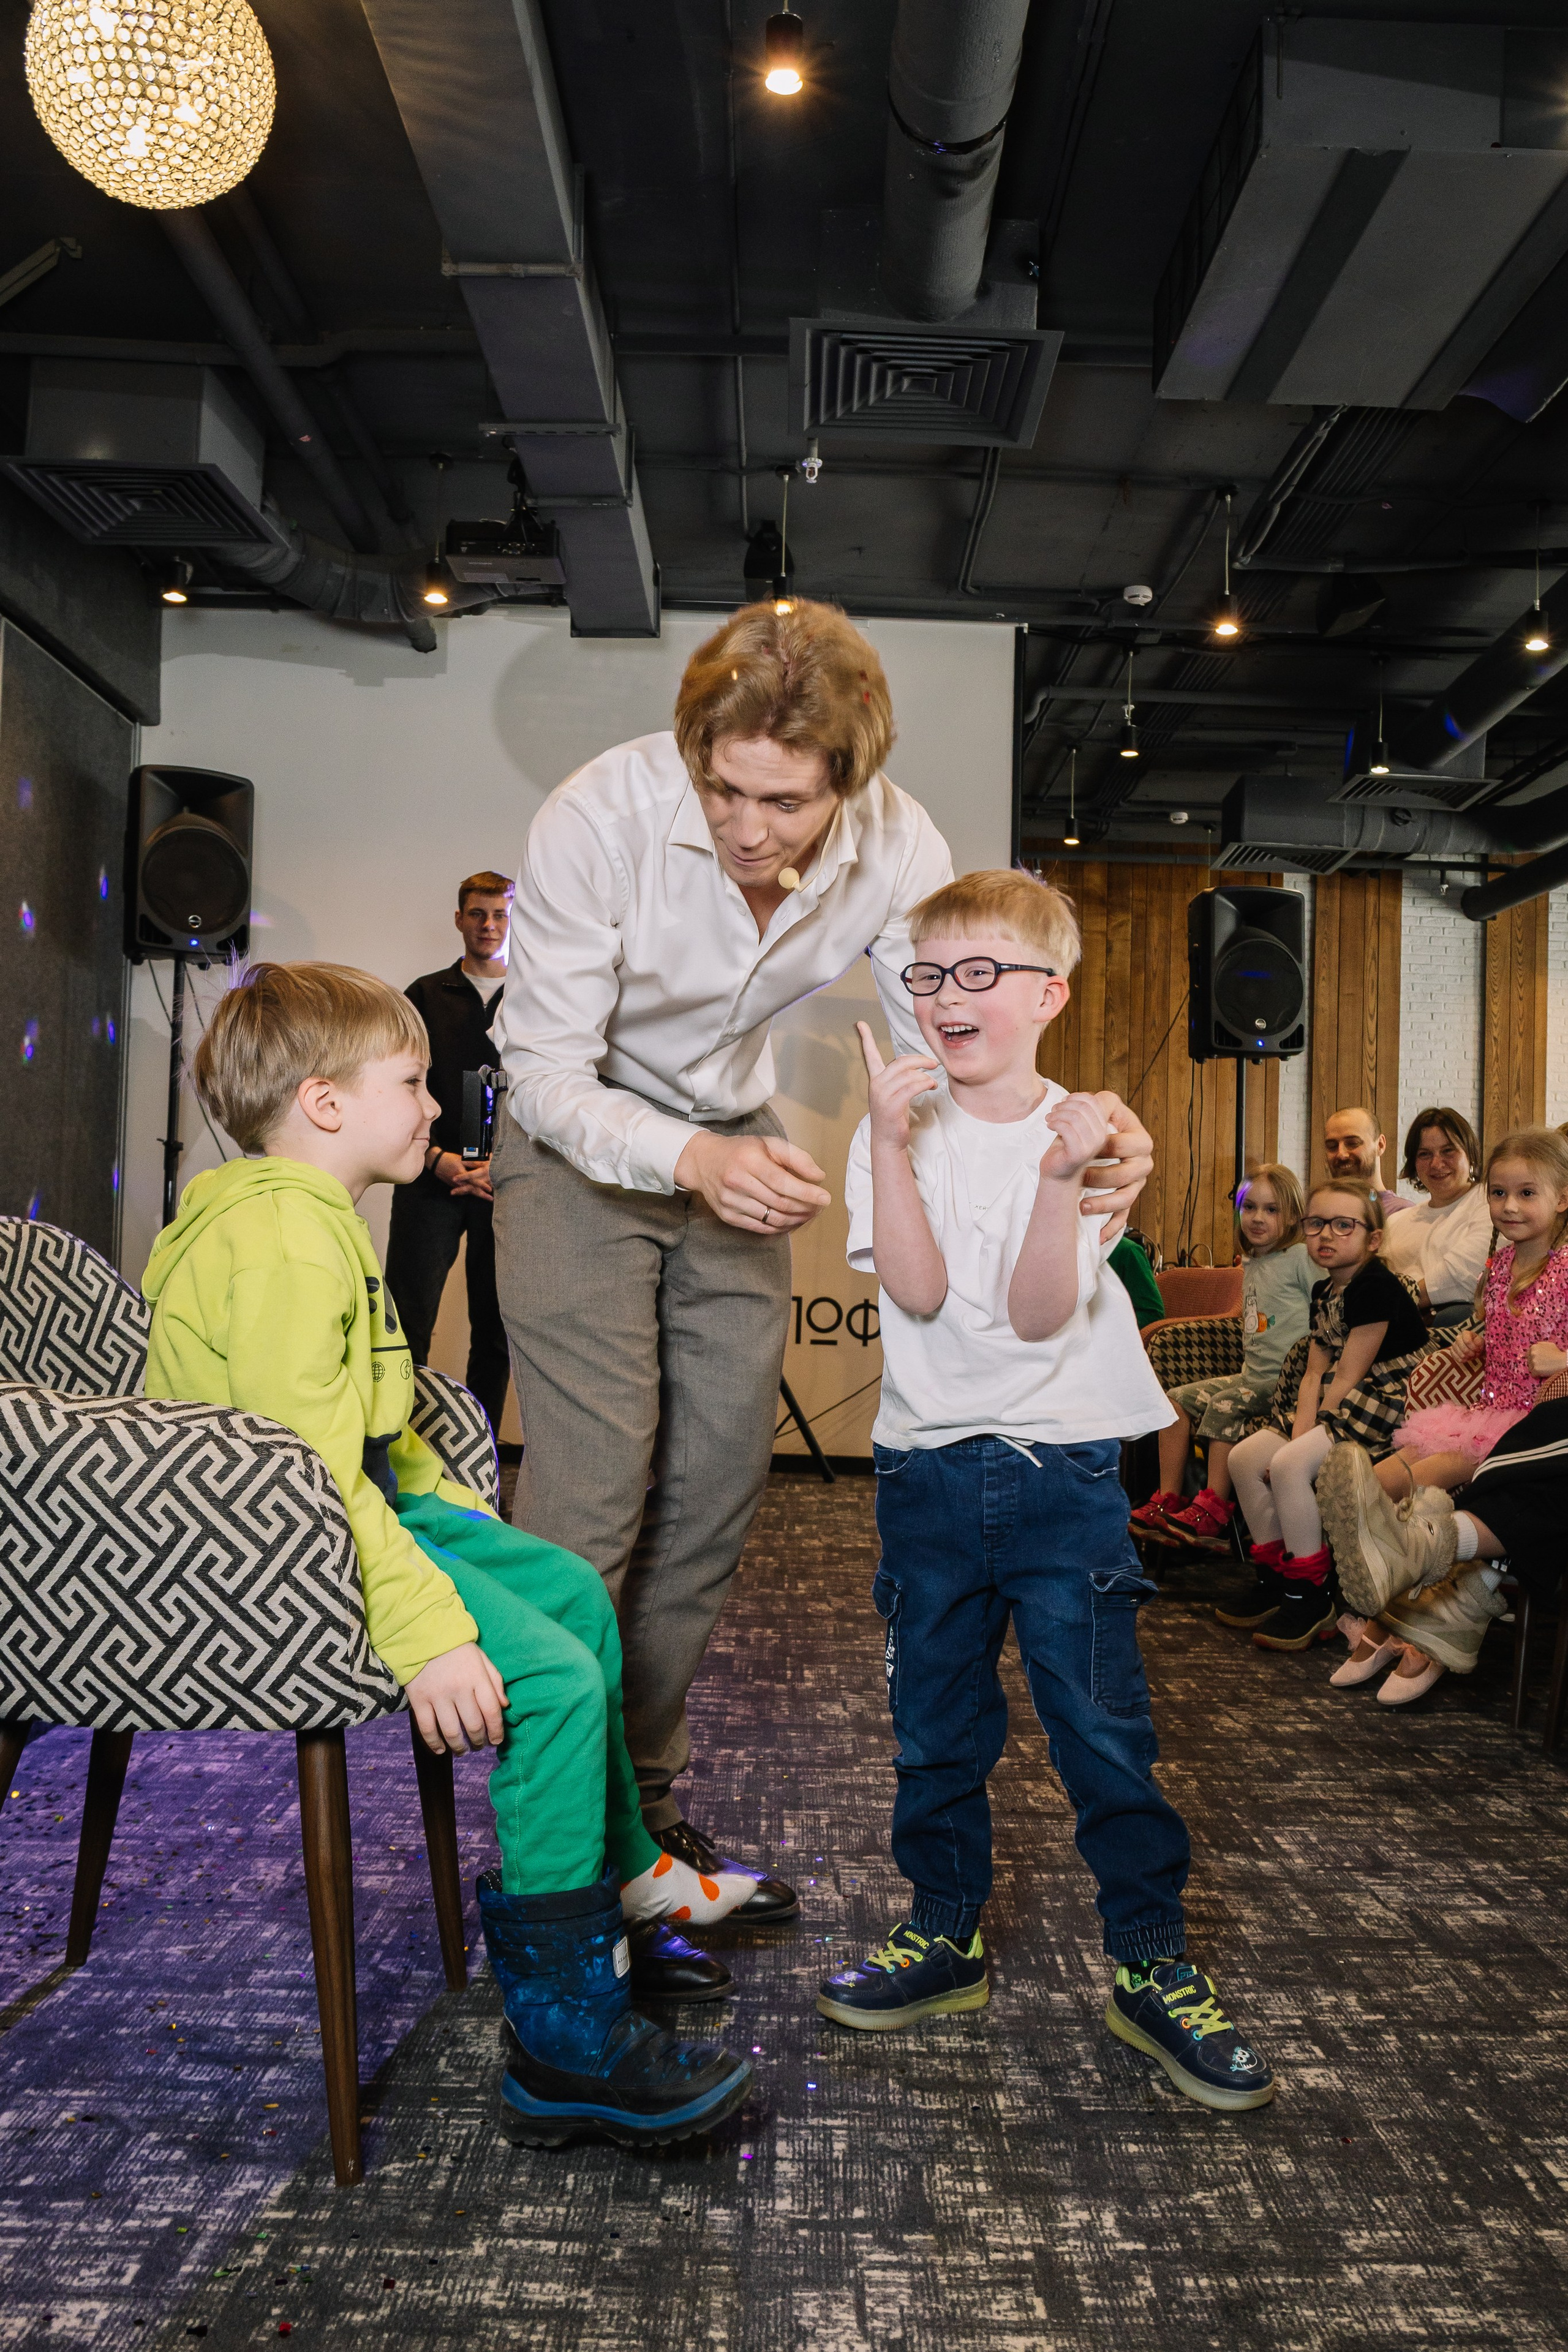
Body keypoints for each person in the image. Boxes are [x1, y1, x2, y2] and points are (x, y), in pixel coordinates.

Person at [488, 601, 1156, 1994]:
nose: (744, 826)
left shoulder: (901, 849)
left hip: (735, 1150)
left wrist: (1082, 1137)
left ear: (846, 782)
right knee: (589, 1510)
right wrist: (684, 1155)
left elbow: (949, 1059)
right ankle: (554, 1888)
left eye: (780, 800)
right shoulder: (594, 816)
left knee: (708, 1509)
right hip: (577, 1153)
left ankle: (645, 1838)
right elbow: (543, 1070)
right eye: (720, 789)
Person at [141, 962, 759, 2148]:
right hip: (292, 1549)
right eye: (414, 1083)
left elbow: (358, 1428)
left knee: (572, 1588)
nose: (437, 1109)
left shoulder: (308, 1218)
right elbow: (303, 1480)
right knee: (555, 1682)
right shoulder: (280, 1244)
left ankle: (623, 1879)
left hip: (348, 1509)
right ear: (325, 1103)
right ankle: (563, 2040)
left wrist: (458, 1514)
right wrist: (427, 1637)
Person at [816, 871, 1274, 2115]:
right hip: (924, 1473)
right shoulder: (891, 1123)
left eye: (977, 974)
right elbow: (909, 1293)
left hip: (1064, 1473)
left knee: (1099, 1730)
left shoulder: (1087, 1134)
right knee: (934, 1731)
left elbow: (1029, 1316)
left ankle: (1148, 1964)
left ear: (1047, 993)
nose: (944, 996)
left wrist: (1056, 1176)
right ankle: (944, 1935)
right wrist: (883, 1139)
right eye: (926, 975)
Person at [1321, 1126, 1568, 1702]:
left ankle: (1405, 1616)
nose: (1509, 1206)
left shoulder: (1567, 1267)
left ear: (1563, 1197)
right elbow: (1503, 1330)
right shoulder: (1502, 1267)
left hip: (1530, 1426)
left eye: (1527, 1194)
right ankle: (1386, 1599)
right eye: (1499, 1194)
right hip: (1484, 1407)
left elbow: (1549, 1345)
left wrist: (1561, 1357)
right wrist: (1474, 1341)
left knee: (1430, 1485)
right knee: (1379, 1483)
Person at [1225, 1183, 1428, 1653]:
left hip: (1386, 1398)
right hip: (1342, 1396)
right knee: (1244, 1458)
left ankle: (1311, 1595)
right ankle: (1275, 1578)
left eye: (1343, 1225)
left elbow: (1351, 1375)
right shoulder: (1322, 1288)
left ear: (1372, 1240)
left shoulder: (1376, 1285)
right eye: (1315, 1224)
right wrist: (1297, 1436)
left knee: (1293, 1466)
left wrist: (1297, 1451)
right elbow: (1315, 1373)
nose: (1325, 1236)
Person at [383, 872, 515, 1440]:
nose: (489, 926)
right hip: (428, 1180)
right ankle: (397, 1448)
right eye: (478, 914)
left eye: (500, 915)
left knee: (496, 1329)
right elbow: (396, 1084)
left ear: (514, 921)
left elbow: (558, 1094)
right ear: (459, 919)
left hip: (508, 1187)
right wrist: (437, 1158)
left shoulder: (541, 997)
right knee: (406, 1322)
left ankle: (477, 1459)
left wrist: (502, 1166)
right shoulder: (423, 996)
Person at [1129, 1163, 1314, 1554]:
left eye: (1272, 1210)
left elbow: (1327, 1303)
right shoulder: (1252, 1261)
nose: (1258, 1218)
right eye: (1250, 1208)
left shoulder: (1300, 1257)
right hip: (1253, 1376)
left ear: (1295, 1215)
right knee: (1174, 1401)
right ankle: (1169, 1497)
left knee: (1222, 1406)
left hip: (1285, 1382)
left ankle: (1214, 1506)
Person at [1378, 1107, 1490, 1330]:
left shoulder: (1490, 1203)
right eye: (1425, 1154)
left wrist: (1386, 1308)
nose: (1436, 1164)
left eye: (1448, 1151)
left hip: (1452, 1334)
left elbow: (1466, 1275)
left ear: (1470, 1154)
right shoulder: (1396, 1222)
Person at [1324, 1104, 1409, 1221]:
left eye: (1353, 1144)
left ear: (1380, 1145)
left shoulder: (1401, 1214)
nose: (1341, 1154)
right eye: (1332, 1146)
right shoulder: (1322, 1212)